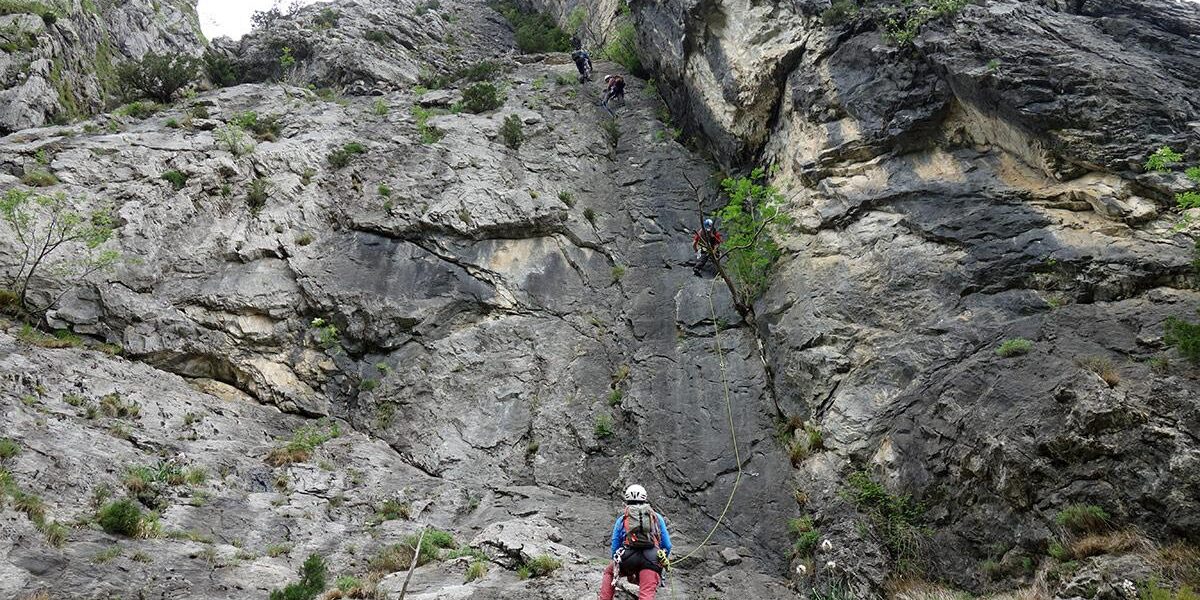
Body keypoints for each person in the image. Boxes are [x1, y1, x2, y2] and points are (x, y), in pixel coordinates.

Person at [598, 484, 672, 600]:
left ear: (627, 499)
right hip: (651, 558)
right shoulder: (656, 517)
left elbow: (615, 547)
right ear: (645, 498)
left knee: (609, 572)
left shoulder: (623, 519)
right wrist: (660, 563)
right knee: (646, 594)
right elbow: (667, 545)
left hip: (628, 557)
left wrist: (621, 566)